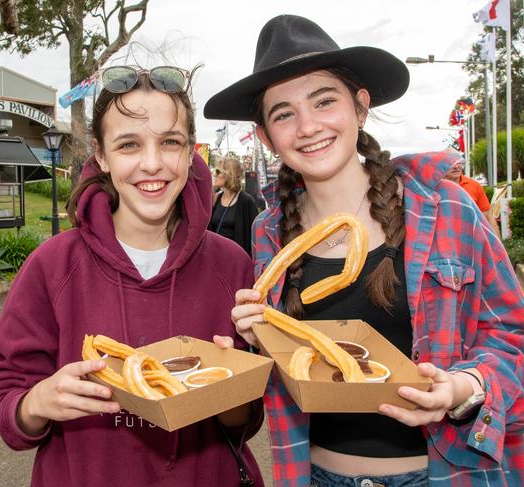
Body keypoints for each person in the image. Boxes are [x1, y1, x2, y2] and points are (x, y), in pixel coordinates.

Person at [204, 15, 524, 487]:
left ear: (360, 107)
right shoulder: (268, 233)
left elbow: (512, 338)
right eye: (284, 113)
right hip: (315, 475)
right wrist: (255, 343)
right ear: (267, 137)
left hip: (446, 475)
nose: (308, 126)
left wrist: (464, 387)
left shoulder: (446, 209)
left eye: (324, 101)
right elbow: (297, 370)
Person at [0, 65, 264, 487]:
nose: (151, 164)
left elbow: (243, 424)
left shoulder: (232, 266)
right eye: (129, 144)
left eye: (169, 142)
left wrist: (231, 390)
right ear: (101, 155)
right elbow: (13, 412)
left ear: (190, 151)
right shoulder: (51, 266)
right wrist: (39, 401)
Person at [209, 157, 259, 255]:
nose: (214, 174)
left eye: (218, 171)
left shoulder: (246, 201)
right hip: (215, 257)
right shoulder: (215, 198)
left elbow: (255, 236)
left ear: (229, 175)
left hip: (236, 259)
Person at [445, 159, 501, 236]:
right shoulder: (435, 188)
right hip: (445, 238)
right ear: (441, 165)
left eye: (459, 163)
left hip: (472, 239)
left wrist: (498, 245)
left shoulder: (474, 186)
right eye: (451, 163)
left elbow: (488, 216)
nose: (456, 167)